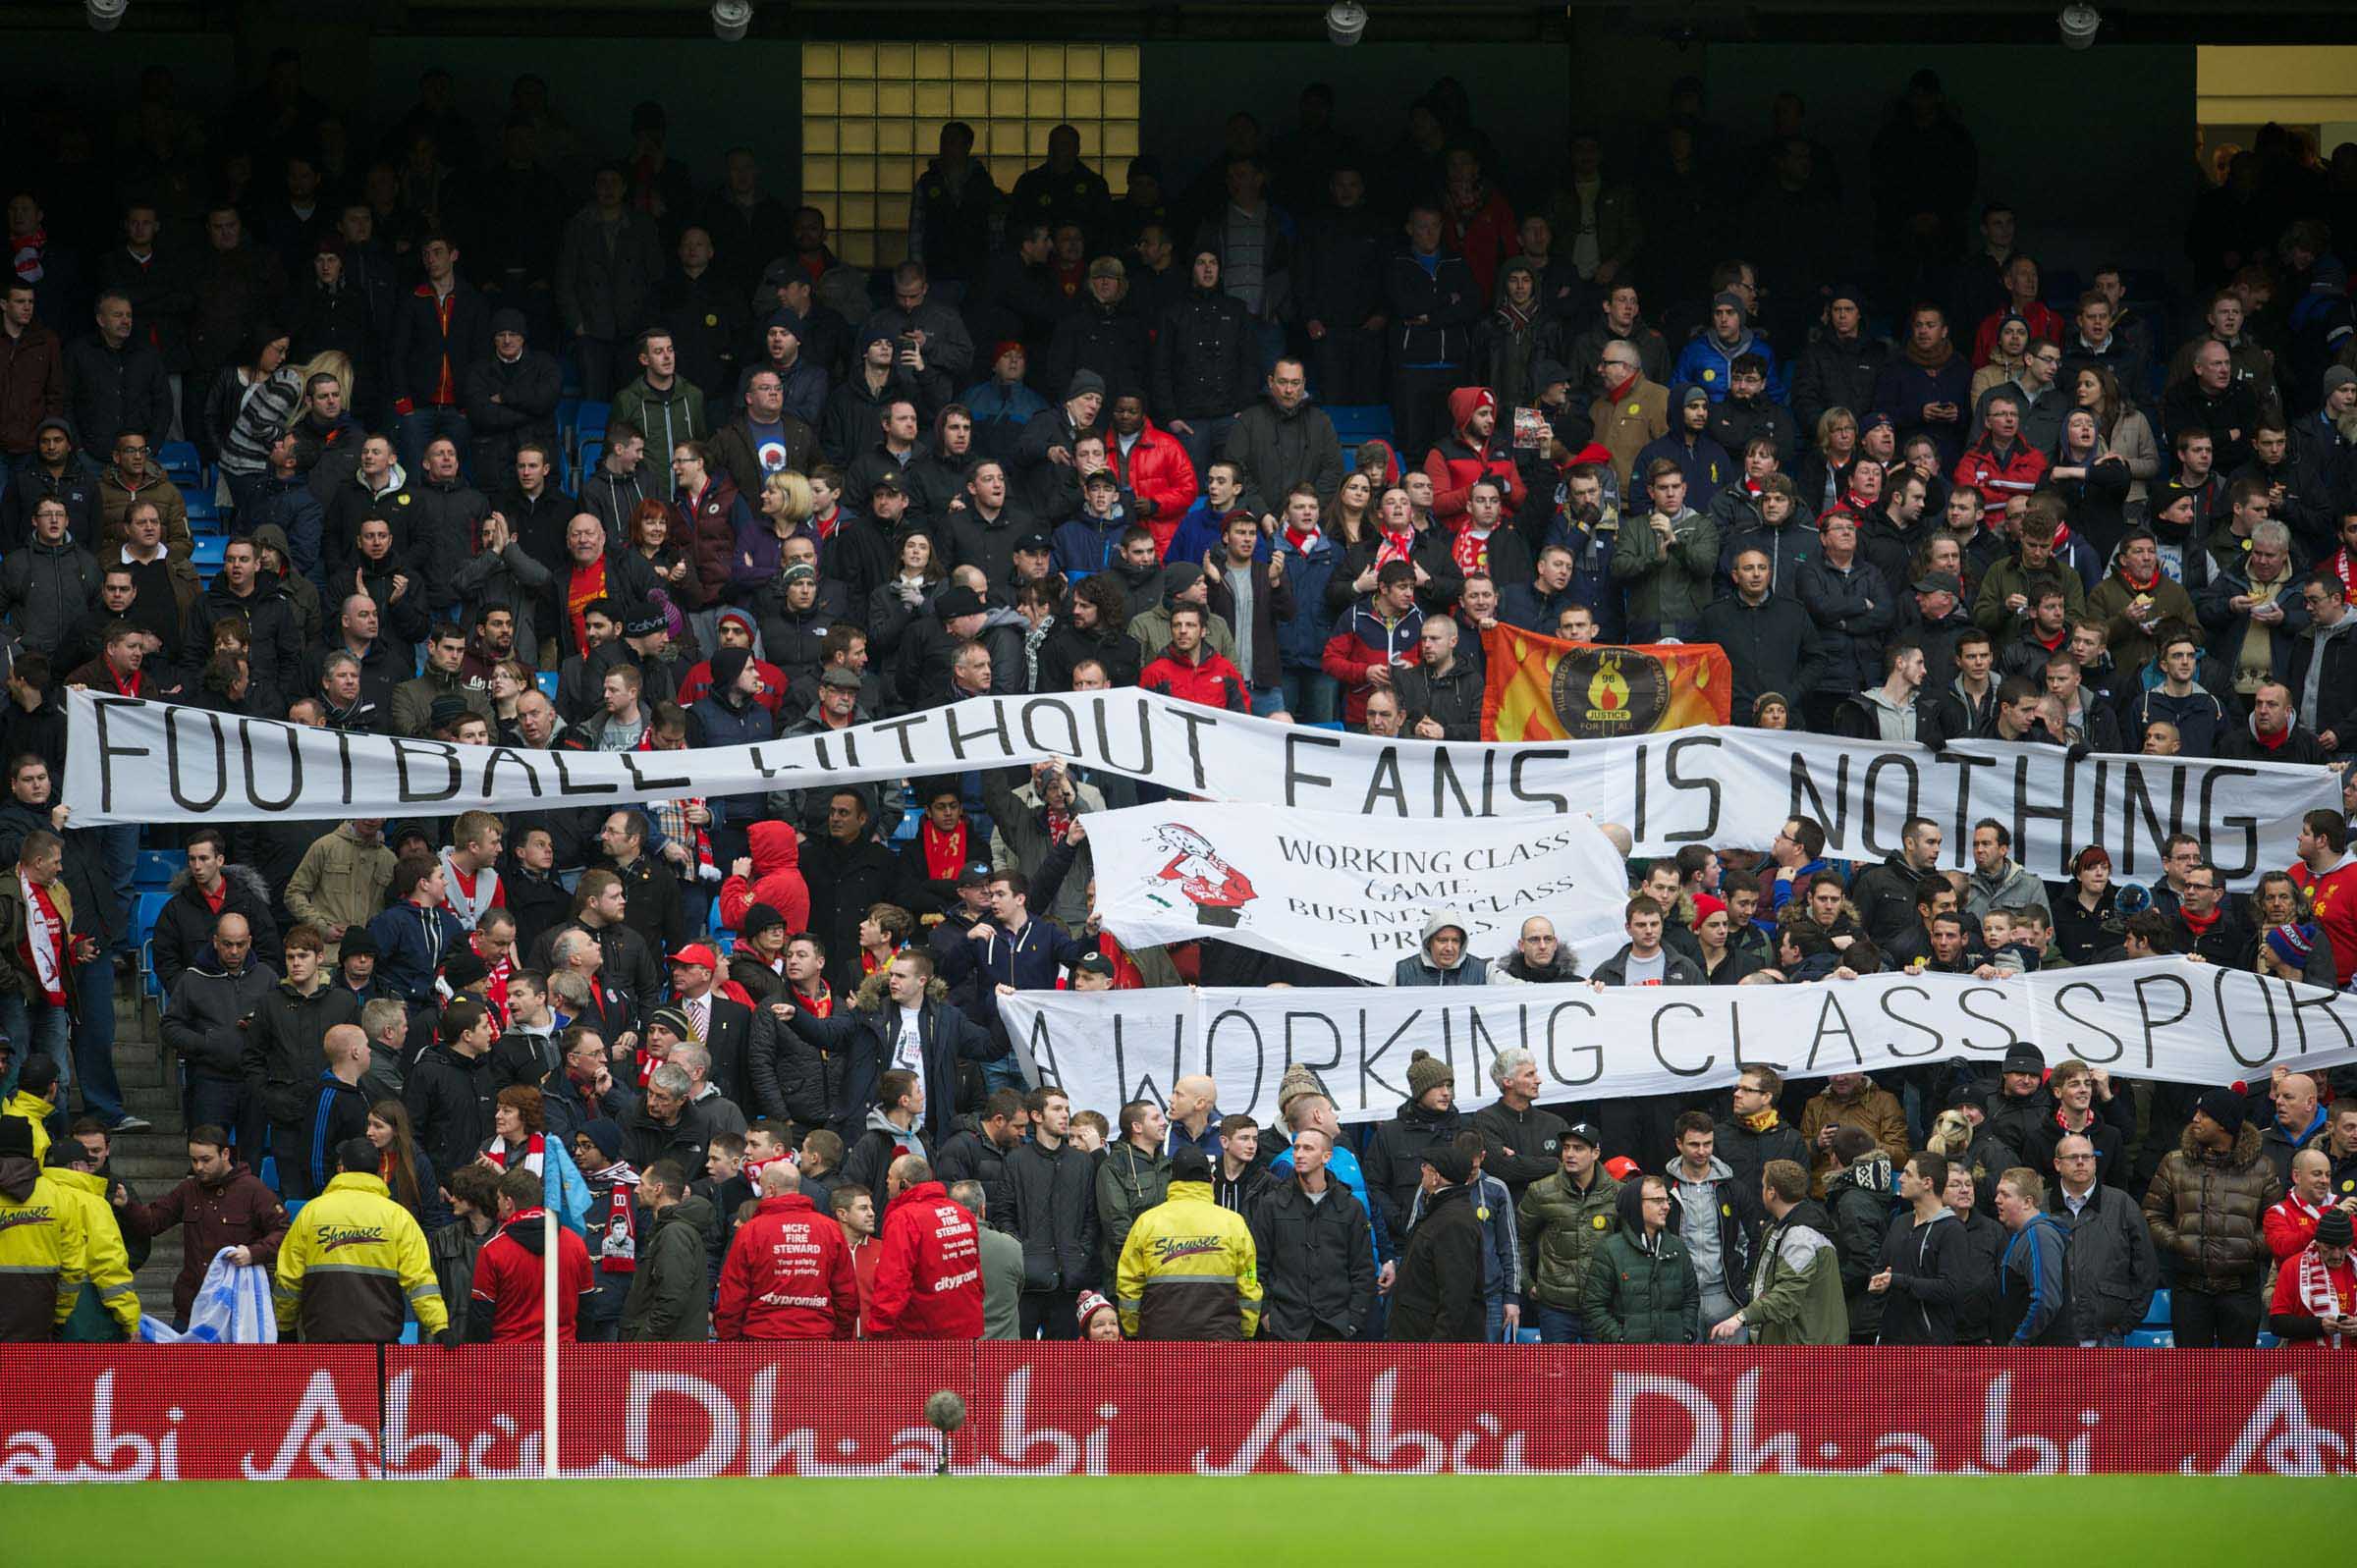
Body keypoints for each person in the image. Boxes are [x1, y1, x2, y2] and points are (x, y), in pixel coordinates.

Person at [273, 1136, 452, 1343]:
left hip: (321, 1339)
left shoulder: (311, 1213)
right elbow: (420, 1279)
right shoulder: (398, 1217)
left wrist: (285, 1326)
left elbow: (288, 1278)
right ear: (378, 1170)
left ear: (342, 1168)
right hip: (380, 1345)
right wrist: (439, 1325)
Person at [2143, 1087, 2282, 1347]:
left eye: (2203, 1114)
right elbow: (2151, 1215)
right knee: (2192, 1380)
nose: (2195, 1118)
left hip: (2241, 1289)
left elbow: (2276, 1224)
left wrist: (2249, 1245)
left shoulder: (2263, 1168)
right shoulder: (2174, 1162)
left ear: (2224, 1125)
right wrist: (2177, 1241)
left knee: (2238, 1378)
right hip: (2189, 1289)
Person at [118, 1123, 291, 1329]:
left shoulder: (253, 1190)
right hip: (191, 1305)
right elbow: (153, 1221)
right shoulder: (189, 1189)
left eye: (206, 1160)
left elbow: (284, 1232)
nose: (199, 1167)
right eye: (194, 1160)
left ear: (225, 1154)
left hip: (234, 1308)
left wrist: (254, 1253)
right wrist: (128, 1205)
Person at [1113, 1144, 1260, 1342]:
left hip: (1159, 1338)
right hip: (1221, 1339)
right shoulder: (1233, 1223)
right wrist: (1246, 1330)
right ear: (1212, 1179)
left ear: (1171, 1181)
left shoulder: (1147, 1222)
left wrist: (1134, 1329)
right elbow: (1249, 1277)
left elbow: (1128, 1283)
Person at [715, 1158, 859, 1340]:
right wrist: (839, 1337)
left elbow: (732, 1296)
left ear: (771, 1189)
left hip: (762, 1339)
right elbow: (847, 1295)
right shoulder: (830, 1229)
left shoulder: (751, 1231)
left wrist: (730, 1341)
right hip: (817, 1339)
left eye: (762, 1189)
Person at [2046, 1131, 2160, 1346]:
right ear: (2057, 1164)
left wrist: (2124, 1324)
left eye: (2087, 1157)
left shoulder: (2122, 1204)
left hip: (2107, 1334)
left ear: (2095, 1163)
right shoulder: (2041, 1207)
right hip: (2052, 1336)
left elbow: (2147, 1269)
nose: (2081, 1162)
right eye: (2073, 1157)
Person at [1722, 1159, 1845, 1346]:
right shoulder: (1782, 1226)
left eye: (1763, 1185)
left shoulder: (1801, 1237)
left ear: (1772, 1193)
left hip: (1805, 1349)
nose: (1761, 1190)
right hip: (1794, 1340)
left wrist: (1741, 1317)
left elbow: (1786, 1297)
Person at [466, 1164, 596, 1342]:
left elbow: (481, 1316)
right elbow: (587, 1309)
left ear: (508, 1202)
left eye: (498, 1198)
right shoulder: (576, 1243)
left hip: (509, 1360)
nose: (497, 1204)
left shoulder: (493, 1250)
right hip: (561, 1358)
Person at [1515, 1122, 1619, 1343]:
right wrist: (1527, 1283)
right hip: (1555, 1308)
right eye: (1566, 1148)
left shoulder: (1617, 1193)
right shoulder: (1541, 1191)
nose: (1570, 1154)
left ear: (1595, 1153)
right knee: (1558, 1377)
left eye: (1579, 1148)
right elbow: (1519, 1239)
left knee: (1600, 1376)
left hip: (1602, 1306)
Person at [1385, 1140, 1486, 1343]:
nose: (1422, 1171)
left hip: (1429, 1343)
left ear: (1436, 1177)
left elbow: (1455, 1294)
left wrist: (1437, 1350)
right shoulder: (1441, 1212)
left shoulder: (1453, 1223)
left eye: (1426, 1167)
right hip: (1417, 1334)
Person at [1581, 1172, 1699, 1343]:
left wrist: (1686, 1333)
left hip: (1673, 1356)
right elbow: (1594, 1306)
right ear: (1636, 1204)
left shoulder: (1677, 1247)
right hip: (1628, 1360)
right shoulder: (1610, 1250)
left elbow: (1691, 1298)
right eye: (1658, 1201)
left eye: (1667, 1200)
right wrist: (1620, 1339)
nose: (1666, 1206)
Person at [1867, 1151, 1962, 1345]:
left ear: (1927, 1183)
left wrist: (1899, 1281)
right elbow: (1880, 1266)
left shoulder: (1952, 1230)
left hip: (1929, 1343)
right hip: (1890, 1338)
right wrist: (1877, 1282)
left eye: (1908, 1174)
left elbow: (1950, 1288)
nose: (1900, 1179)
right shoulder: (1900, 1222)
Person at [1993, 1166, 2074, 1346]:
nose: (1997, 1200)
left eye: (2005, 1195)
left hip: (2044, 1362)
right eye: (1998, 1193)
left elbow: (2046, 1301)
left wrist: (2017, 1343)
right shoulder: (2022, 1236)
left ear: (2027, 1202)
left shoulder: (2039, 1235)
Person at [2268, 1207, 2357, 1348]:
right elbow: (2277, 1324)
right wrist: (2318, 1325)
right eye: (2330, 1248)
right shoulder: (2293, 1266)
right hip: (2307, 1362)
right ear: (2317, 1242)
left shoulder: (2354, 1267)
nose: (2337, 1255)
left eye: (2343, 1248)